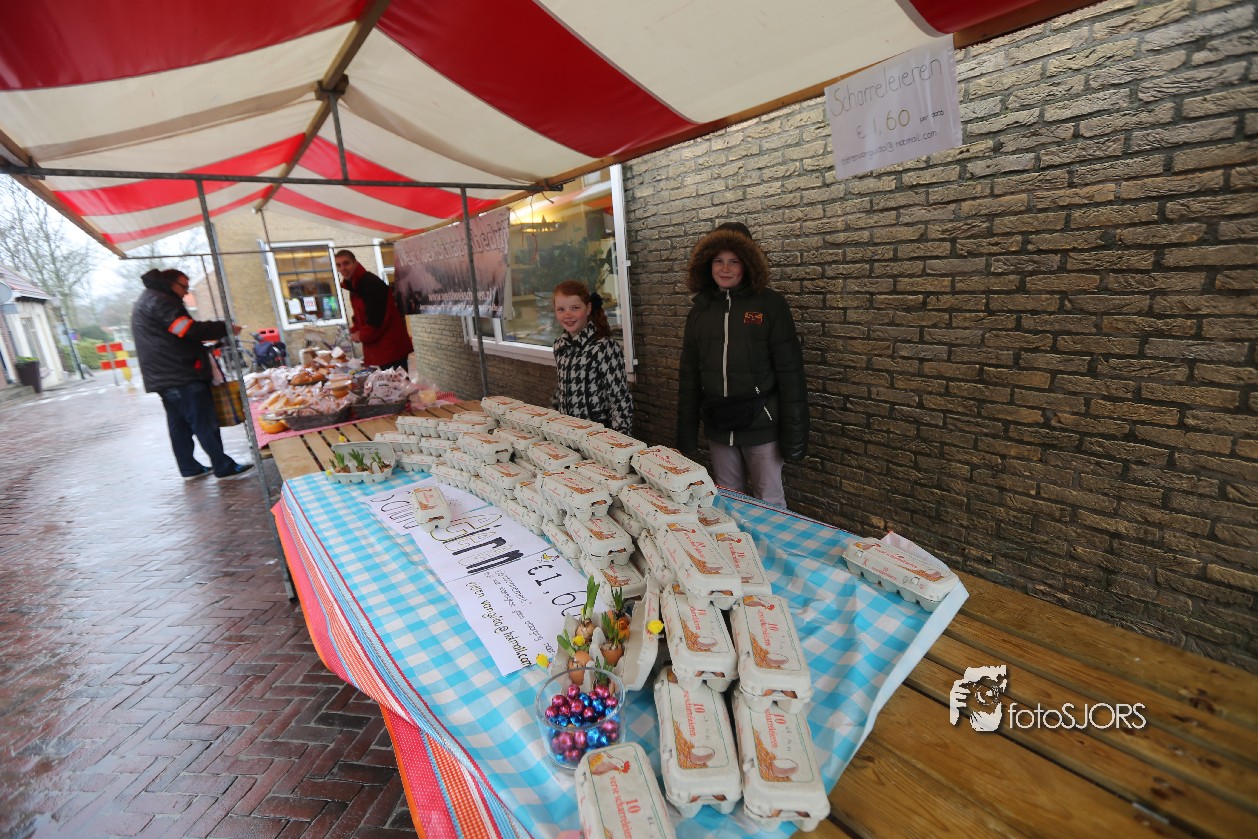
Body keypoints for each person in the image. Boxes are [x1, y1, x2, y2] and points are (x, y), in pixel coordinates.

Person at [676, 222, 808, 508]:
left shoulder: (771, 305)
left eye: (734, 261)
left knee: (769, 502)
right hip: (719, 424)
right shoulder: (699, 311)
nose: (725, 268)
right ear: (707, 264)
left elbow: (791, 374)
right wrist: (686, 435)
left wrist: (794, 436)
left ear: (747, 263)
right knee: (729, 501)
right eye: (718, 260)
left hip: (761, 424)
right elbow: (689, 377)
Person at [131, 268, 254, 480]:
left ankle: (189, 467)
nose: (186, 292)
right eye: (184, 287)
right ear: (171, 283)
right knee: (203, 421)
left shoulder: (149, 299)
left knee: (179, 424)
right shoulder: (162, 301)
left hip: (165, 377)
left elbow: (175, 335)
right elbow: (188, 329)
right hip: (181, 374)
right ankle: (222, 465)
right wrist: (224, 328)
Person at [551, 280, 633, 435]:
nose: (567, 314)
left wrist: (618, 439)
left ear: (588, 308)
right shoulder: (559, 346)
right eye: (561, 309)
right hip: (567, 433)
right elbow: (561, 388)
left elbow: (620, 398)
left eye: (575, 308)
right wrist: (550, 421)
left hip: (598, 435)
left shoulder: (604, 347)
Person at [334, 249, 412, 370]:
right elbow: (360, 315)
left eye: (346, 263)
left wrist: (361, 335)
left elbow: (377, 319)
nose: (343, 268)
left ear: (355, 263)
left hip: (390, 346)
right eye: (339, 265)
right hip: (380, 348)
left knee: (397, 381)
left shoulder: (369, 283)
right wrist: (354, 330)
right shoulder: (355, 285)